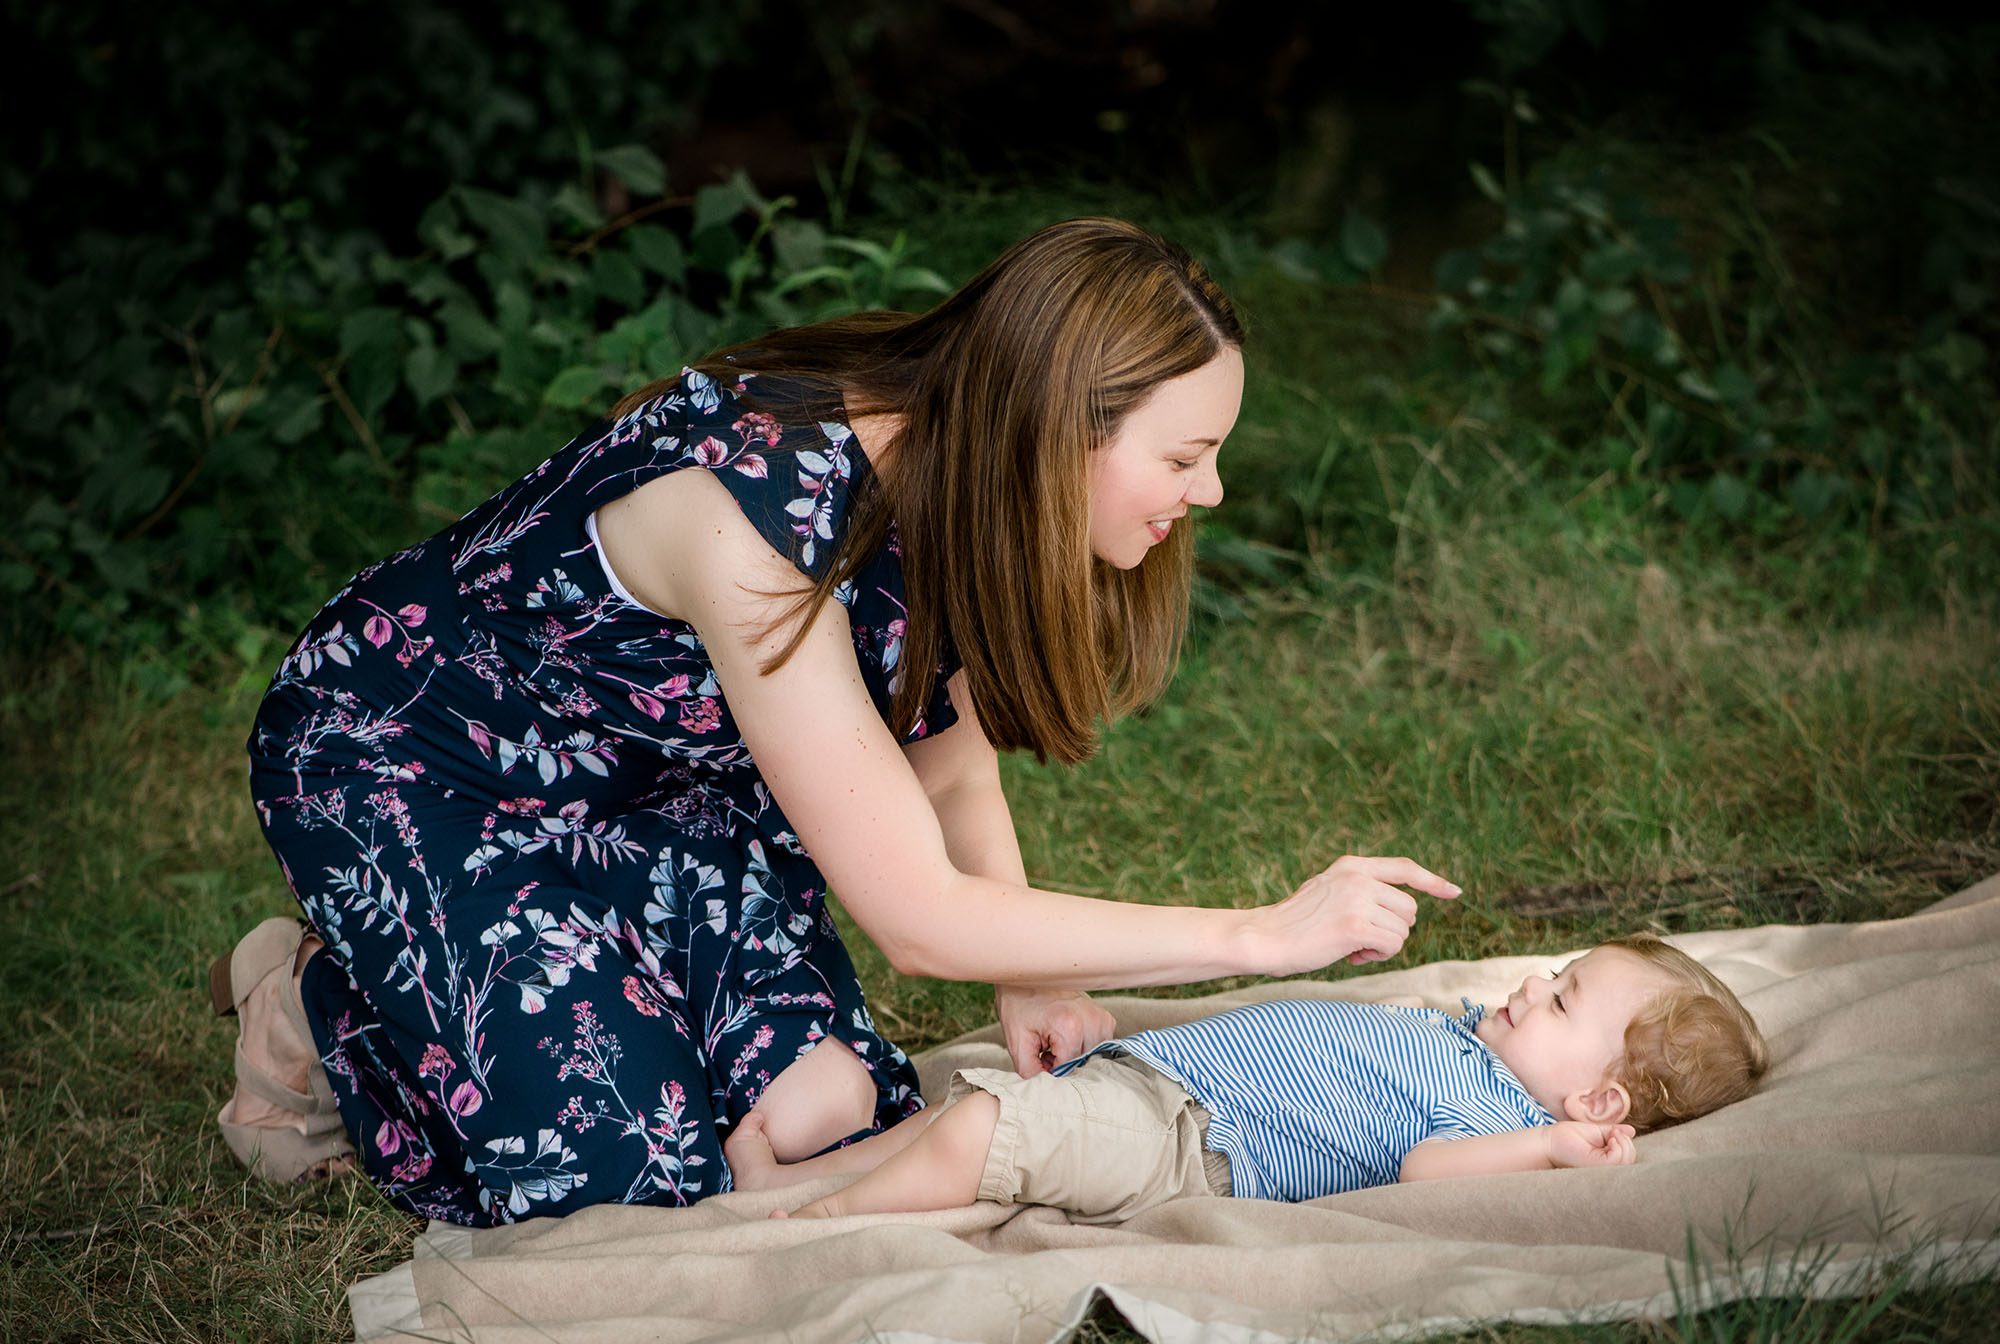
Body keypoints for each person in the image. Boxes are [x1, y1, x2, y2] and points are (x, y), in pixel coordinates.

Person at [214, 217, 1462, 1225]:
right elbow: (915, 920)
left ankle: (536, 967)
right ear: (1057, 430)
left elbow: (951, 767)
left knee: (839, 1118)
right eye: (1185, 457)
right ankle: (324, 1010)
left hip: (677, 789)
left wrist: (1034, 975)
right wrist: (1261, 935)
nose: (1210, 491)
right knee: (622, 1189)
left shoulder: (974, 476)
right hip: (417, 764)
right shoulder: (754, 508)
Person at [723, 935, 1770, 1221]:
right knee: (961, 1110)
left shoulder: (1490, 1112)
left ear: (1592, 1101)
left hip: (1188, 1147)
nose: (1533, 983)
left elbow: (1422, 1169)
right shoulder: (1465, 1038)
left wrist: (1546, 1149)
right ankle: (801, 1180)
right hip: (1155, 1078)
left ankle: (818, 1228)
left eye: (1561, 1000)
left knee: (980, 1129)